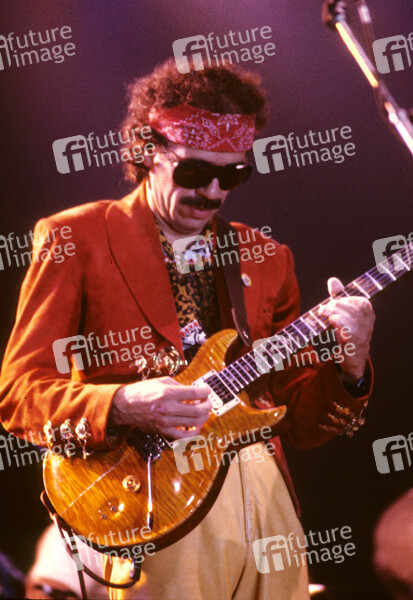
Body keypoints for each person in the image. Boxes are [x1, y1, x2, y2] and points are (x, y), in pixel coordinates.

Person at [0, 58, 375, 600]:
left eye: (233, 174)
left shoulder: (267, 257)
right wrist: (122, 403)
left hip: (265, 508)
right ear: (147, 153)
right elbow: (19, 394)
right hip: (149, 502)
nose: (214, 192)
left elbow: (302, 423)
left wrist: (351, 364)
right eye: (195, 173)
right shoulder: (75, 238)